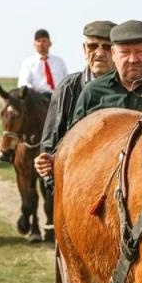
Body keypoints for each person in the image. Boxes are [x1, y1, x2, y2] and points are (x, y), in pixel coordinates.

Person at [34, 20, 115, 178]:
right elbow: (50, 143)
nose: (99, 53)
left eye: (106, 47)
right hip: (75, 180)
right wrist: (53, 182)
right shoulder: (68, 88)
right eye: (92, 46)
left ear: (116, 50)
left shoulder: (132, 86)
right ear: (84, 49)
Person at [17, 28, 69, 96]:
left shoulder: (59, 62)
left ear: (50, 43)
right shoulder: (28, 63)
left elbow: (66, 81)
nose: (41, 44)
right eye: (38, 41)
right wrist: (34, 92)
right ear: (34, 44)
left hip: (58, 97)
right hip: (37, 99)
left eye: (44, 41)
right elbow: (23, 83)